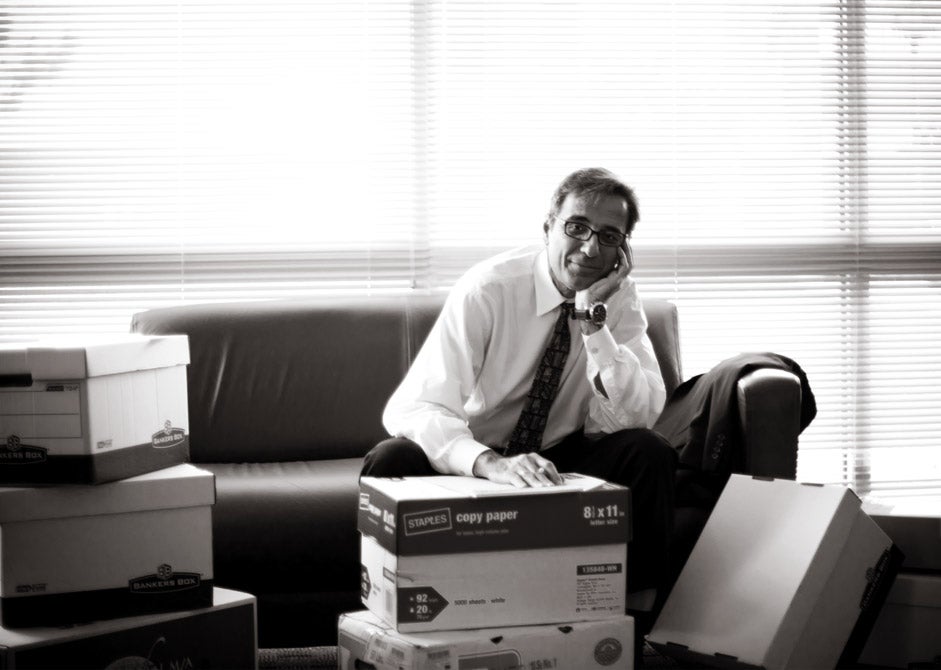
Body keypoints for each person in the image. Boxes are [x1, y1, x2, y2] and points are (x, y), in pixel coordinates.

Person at [361, 167, 677, 653]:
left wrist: (594, 323)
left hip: (557, 460)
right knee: (390, 461)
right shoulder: (488, 289)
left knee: (648, 453)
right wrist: (491, 464)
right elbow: (418, 405)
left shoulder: (616, 301)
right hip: (476, 459)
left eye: (609, 236)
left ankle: (627, 631)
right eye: (577, 227)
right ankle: (384, 621)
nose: (591, 248)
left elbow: (638, 415)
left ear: (624, 252)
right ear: (548, 226)